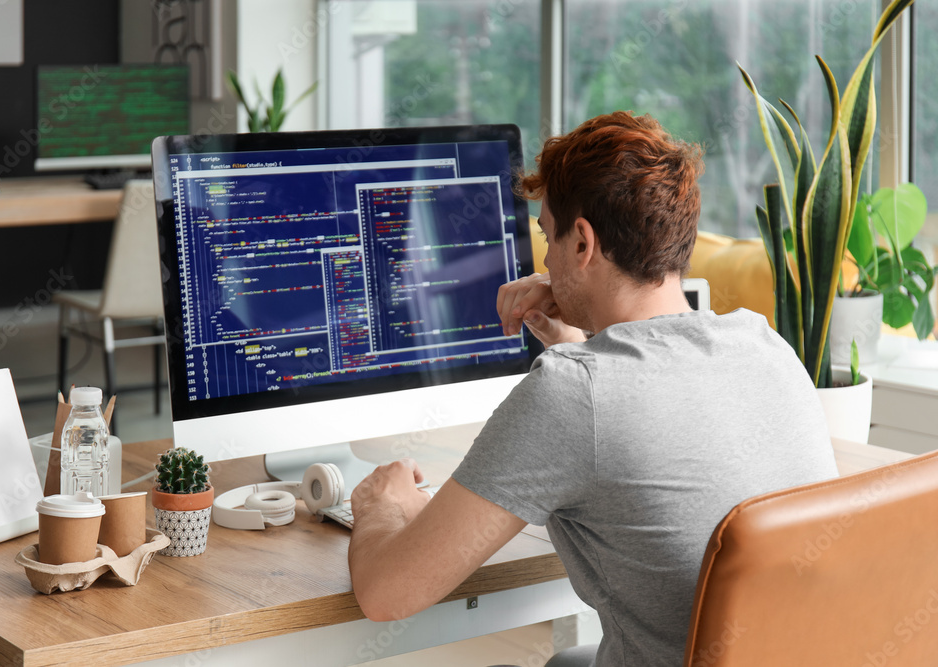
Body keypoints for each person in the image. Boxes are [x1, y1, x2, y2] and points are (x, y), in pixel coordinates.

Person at [347, 111, 839, 666]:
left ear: (582, 242)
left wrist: (380, 505)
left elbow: (389, 595)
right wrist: (579, 337)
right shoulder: (767, 346)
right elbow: (635, 414)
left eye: (546, 238)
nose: (546, 262)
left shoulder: (573, 394)